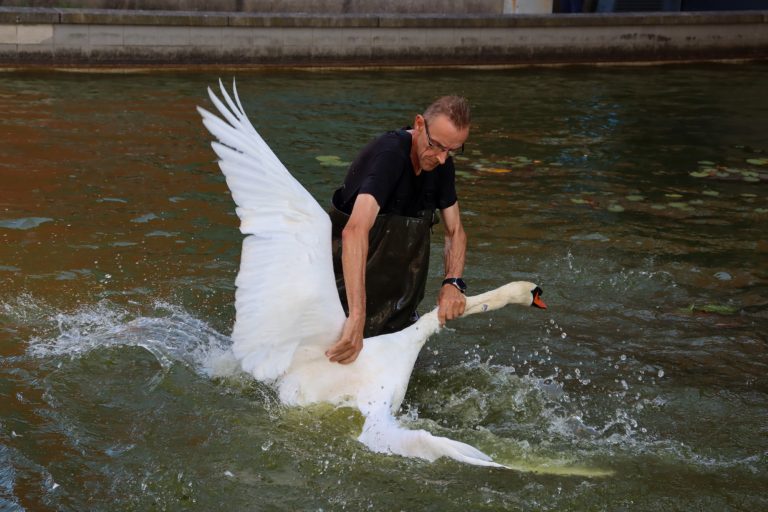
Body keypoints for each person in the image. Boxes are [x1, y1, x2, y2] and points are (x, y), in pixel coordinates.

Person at [325, 96, 471, 364]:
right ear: (419, 124)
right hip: (342, 295)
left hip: (398, 303)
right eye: (436, 145)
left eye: (451, 150)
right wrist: (356, 317)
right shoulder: (390, 155)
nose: (441, 158)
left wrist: (453, 282)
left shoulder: (442, 164)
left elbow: (455, 231)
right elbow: (354, 231)